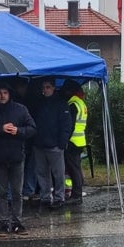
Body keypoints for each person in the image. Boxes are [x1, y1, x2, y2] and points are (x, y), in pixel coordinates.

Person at [0, 82, 37, 235]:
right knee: (1, 193)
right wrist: (0, 129)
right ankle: (3, 223)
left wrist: (18, 130)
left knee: (17, 192)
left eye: (5, 92)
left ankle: (17, 222)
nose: (2, 96)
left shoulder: (20, 109)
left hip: (17, 156)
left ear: (9, 94)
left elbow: (32, 129)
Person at [32, 78, 74, 208]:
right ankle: (45, 197)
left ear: (53, 88)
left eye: (48, 87)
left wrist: (62, 142)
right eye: (43, 87)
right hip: (39, 144)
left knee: (58, 173)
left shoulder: (61, 104)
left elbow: (66, 124)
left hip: (55, 144)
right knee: (42, 173)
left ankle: (59, 197)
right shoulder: (38, 103)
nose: (45, 90)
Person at [63, 80, 88, 201]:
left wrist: (65, 139)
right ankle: (77, 192)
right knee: (76, 167)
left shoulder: (73, 104)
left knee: (73, 169)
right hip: (80, 140)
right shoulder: (81, 103)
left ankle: (76, 194)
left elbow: (70, 125)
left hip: (72, 141)